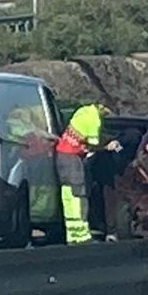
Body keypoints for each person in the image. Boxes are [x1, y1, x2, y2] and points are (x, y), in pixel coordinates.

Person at [55, 102, 119, 244]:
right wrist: (108, 146)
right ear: (101, 106)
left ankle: (73, 235)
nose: (107, 114)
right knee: (79, 195)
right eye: (107, 111)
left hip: (62, 155)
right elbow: (93, 144)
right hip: (72, 157)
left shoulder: (83, 111)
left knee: (69, 196)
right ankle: (82, 236)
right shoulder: (94, 120)